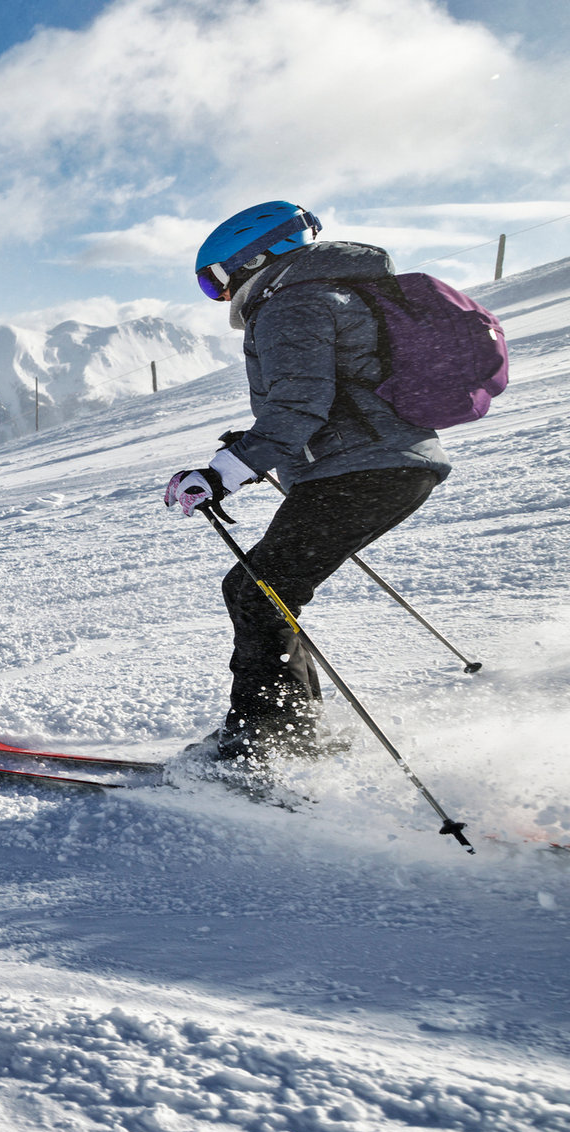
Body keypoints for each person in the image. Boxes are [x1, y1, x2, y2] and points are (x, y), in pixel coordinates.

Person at [165, 202, 451, 762]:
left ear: (257, 256)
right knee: (260, 588)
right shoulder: (328, 292)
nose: (221, 296)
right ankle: (287, 732)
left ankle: (264, 747)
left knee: (258, 591)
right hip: (384, 463)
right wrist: (253, 448)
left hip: (363, 470)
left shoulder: (291, 304)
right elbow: (327, 397)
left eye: (216, 279)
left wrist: (226, 473)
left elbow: (299, 405)